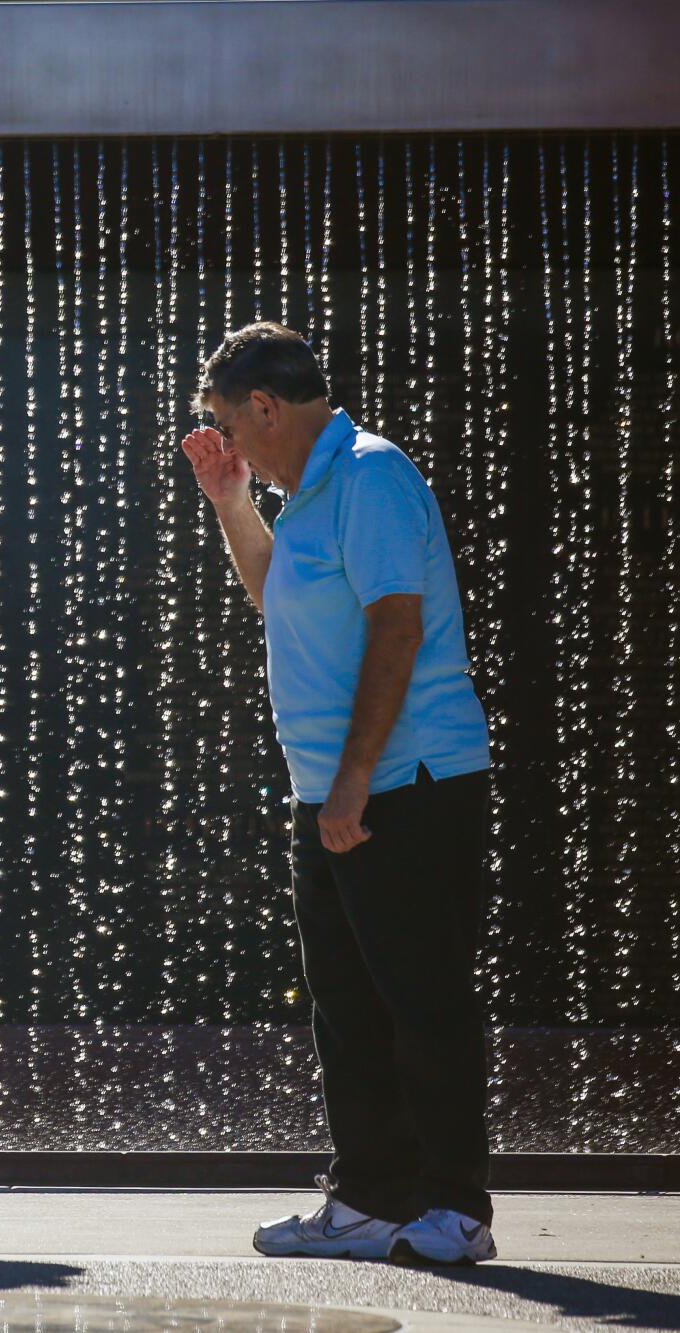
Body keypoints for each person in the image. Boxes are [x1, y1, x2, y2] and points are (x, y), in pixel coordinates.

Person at [180, 322, 496, 1265]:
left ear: (266, 408)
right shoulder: (306, 494)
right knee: (347, 1004)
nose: (227, 444)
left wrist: (356, 784)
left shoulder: (371, 475)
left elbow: (397, 631)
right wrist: (233, 501)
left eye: (228, 430)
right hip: (331, 789)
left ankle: (457, 1209)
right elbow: (273, 593)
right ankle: (367, 1197)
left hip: (408, 783)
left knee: (422, 997)